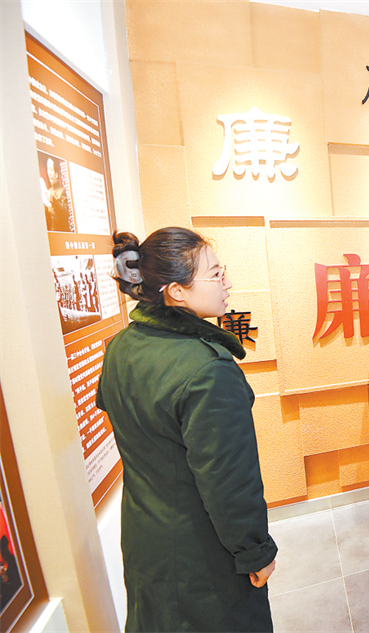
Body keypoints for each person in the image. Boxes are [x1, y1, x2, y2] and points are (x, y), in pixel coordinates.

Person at [96, 228, 277, 633]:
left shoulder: (120, 347)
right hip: (202, 555)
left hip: (145, 540)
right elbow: (229, 482)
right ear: (177, 291)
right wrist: (255, 551)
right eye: (215, 274)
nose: (227, 283)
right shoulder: (208, 370)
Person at [42, 157, 70, 232]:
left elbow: (65, 213)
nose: (49, 173)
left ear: (57, 174)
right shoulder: (48, 191)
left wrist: (52, 200)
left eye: (51, 170)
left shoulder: (62, 191)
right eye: (48, 170)